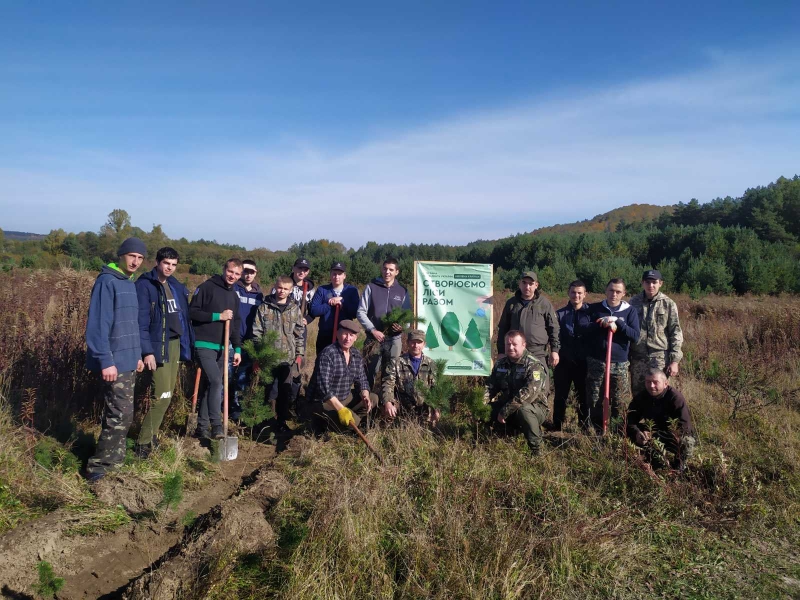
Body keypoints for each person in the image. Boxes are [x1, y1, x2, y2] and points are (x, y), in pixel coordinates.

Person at [84, 237, 146, 481]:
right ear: (121, 255)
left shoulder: (129, 283)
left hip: (128, 359)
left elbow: (131, 325)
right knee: (119, 414)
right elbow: (99, 325)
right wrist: (105, 359)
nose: (135, 261)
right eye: (132, 256)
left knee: (124, 413)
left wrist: (138, 355)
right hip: (114, 361)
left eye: (140, 258)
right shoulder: (107, 282)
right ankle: (99, 468)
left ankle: (115, 462)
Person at [134, 247, 194, 457]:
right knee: (161, 396)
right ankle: (142, 444)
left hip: (175, 344)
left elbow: (184, 316)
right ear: (158, 262)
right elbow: (140, 321)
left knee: (167, 396)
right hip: (158, 345)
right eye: (166, 263)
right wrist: (147, 351)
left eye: (174, 264)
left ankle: (152, 436)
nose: (170, 268)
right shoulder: (145, 285)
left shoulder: (175, 285)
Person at [190, 259, 243, 439]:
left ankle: (202, 428)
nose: (232, 276)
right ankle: (217, 425)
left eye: (237, 274)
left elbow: (235, 325)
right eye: (230, 272)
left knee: (209, 387)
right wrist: (218, 316)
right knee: (216, 382)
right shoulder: (206, 287)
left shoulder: (234, 297)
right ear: (224, 269)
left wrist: (237, 348)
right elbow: (192, 312)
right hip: (203, 344)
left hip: (222, 348)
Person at [582, 278, 641, 432]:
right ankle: (594, 430)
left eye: (618, 291)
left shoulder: (630, 311)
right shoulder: (594, 308)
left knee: (619, 399)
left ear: (623, 293)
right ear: (606, 291)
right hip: (597, 361)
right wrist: (600, 323)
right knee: (594, 398)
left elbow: (634, 335)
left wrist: (619, 323)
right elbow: (584, 329)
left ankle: (616, 430)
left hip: (619, 363)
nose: (614, 294)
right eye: (611, 290)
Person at [252, 276, 305, 430]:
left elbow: (299, 334)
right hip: (268, 358)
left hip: (287, 359)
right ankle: (265, 422)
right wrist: (259, 356)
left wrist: (299, 355)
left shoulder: (294, 310)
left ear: (291, 291)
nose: (282, 291)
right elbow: (257, 334)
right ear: (275, 286)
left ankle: (281, 422)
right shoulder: (264, 308)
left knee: (284, 391)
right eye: (280, 287)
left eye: (286, 289)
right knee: (268, 391)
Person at [484, 330, 550, 454]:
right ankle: (489, 440)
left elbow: (528, 394)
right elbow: (491, 387)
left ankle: (537, 449)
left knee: (523, 410)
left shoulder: (534, 365)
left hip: (535, 408)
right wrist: (482, 403)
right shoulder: (500, 364)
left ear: (523, 345)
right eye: (508, 344)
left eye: (514, 344)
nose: (511, 347)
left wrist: (505, 411)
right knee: (486, 410)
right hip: (508, 405)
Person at [309, 319, 375, 434]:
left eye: (351, 335)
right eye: (345, 334)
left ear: (356, 338)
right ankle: (326, 423)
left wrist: (365, 394)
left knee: (373, 398)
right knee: (355, 423)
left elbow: (362, 379)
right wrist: (341, 409)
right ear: (337, 334)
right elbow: (324, 389)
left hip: (344, 396)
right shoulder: (328, 354)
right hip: (324, 402)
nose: (347, 338)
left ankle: (344, 422)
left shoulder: (356, 354)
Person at [357, 257, 411, 388]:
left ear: (396, 272)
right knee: (369, 372)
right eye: (385, 269)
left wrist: (402, 327)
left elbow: (407, 317)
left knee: (391, 373)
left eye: (391, 270)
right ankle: (366, 404)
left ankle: (386, 404)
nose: (387, 272)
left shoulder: (402, 291)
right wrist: (373, 330)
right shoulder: (371, 287)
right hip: (373, 338)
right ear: (381, 269)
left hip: (394, 339)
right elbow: (361, 312)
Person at [627, 368, 695, 471]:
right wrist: (637, 432)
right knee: (621, 428)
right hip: (650, 433)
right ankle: (648, 460)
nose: (651, 386)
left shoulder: (675, 398)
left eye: (655, 382)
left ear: (665, 383)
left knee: (687, 441)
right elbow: (630, 418)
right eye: (648, 382)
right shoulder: (642, 397)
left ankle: (679, 467)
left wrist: (655, 435)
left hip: (670, 436)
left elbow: (684, 427)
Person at [629, 269, 684, 396]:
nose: (651, 285)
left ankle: (659, 417)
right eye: (647, 282)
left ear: (661, 283)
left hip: (659, 358)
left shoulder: (668, 304)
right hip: (638, 358)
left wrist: (674, 361)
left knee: (659, 394)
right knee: (638, 395)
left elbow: (675, 332)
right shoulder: (633, 302)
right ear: (643, 283)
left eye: (654, 282)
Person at [496, 271, 560, 368]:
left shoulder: (544, 304)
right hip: (515, 353)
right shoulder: (512, 303)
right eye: (524, 283)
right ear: (519, 284)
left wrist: (554, 350)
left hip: (538, 353)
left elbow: (553, 328)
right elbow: (503, 328)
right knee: (515, 382)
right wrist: (501, 351)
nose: (527, 287)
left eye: (531, 284)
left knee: (539, 382)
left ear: (536, 285)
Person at [552, 280, 591, 431]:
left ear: (585, 294)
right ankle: (557, 425)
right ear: (568, 293)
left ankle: (584, 425)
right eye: (573, 292)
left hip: (584, 362)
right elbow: (554, 337)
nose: (576, 295)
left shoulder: (591, 314)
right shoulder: (560, 314)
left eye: (580, 293)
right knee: (561, 395)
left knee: (584, 395)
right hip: (564, 362)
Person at [380, 329, 440, 426]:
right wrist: (388, 402)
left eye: (419, 342)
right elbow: (388, 384)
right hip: (403, 404)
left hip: (423, 404)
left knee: (427, 429)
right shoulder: (396, 362)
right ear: (408, 343)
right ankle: (390, 429)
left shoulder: (431, 364)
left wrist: (436, 409)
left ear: (424, 344)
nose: (416, 345)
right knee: (387, 405)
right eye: (413, 342)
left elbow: (436, 388)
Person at [231, 258, 264, 420]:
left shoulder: (259, 294)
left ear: (255, 273)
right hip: (231, 338)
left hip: (249, 341)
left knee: (243, 376)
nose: (248, 275)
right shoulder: (233, 288)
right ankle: (223, 407)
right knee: (228, 375)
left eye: (252, 272)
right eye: (245, 271)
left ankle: (238, 409)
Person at [309, 261, 360, 356]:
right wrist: (329, 304)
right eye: (334, 274)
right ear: (330, 275)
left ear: (344, 276)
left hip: (345, 336)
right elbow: (314, 310)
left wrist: (343, 303)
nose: (337, 277)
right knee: (322, 362)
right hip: (325, 334)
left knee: (342, 363)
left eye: (340, 274)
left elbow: (355, 312)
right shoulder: (322, 290)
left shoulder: (352, 291)